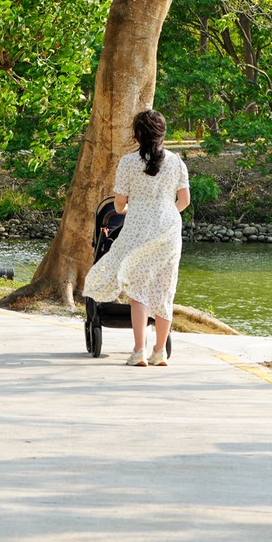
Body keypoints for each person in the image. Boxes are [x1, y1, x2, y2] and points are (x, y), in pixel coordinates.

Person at [82, 109, 190, 367]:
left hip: (138, 229)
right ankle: (160, 352)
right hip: (169, 230)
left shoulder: (129, 163)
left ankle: (139, 351)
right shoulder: (176, 162)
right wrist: (164, 214)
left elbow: (119, 206)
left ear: (137, 134)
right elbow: (184, 201)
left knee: (138, 291)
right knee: (165, 290)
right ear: (163, 133)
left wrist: (142, 210)